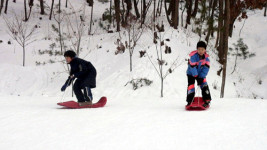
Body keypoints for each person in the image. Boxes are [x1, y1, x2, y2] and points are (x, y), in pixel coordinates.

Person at [186, 41, 212, 108]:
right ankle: (190, 101)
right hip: (191, 73)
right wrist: (196, 76)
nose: (200, 51)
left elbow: (206, 69)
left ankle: (207, 100)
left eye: (202, 49)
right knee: (191, 86)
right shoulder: (193, 57)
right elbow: (192, 67)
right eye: (199, 49)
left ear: (205, 50)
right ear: (197, 49)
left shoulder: (207, 59)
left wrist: (201, 77)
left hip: (200, 74)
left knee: (204, 84)